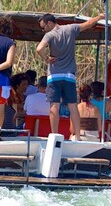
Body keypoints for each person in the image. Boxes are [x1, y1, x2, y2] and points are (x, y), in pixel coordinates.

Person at [36, 12, 106, 140]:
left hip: (54, 75)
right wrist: (100, 17)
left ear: (50, 23)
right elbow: (89, 23)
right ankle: (78, 136)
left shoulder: (49, 35)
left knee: (54, 106)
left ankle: (55, 136)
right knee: (73, 106)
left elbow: (39, 48)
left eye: (43, 27)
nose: (43, 29)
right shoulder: (71, 28)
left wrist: (46, 58)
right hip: (69, 75)